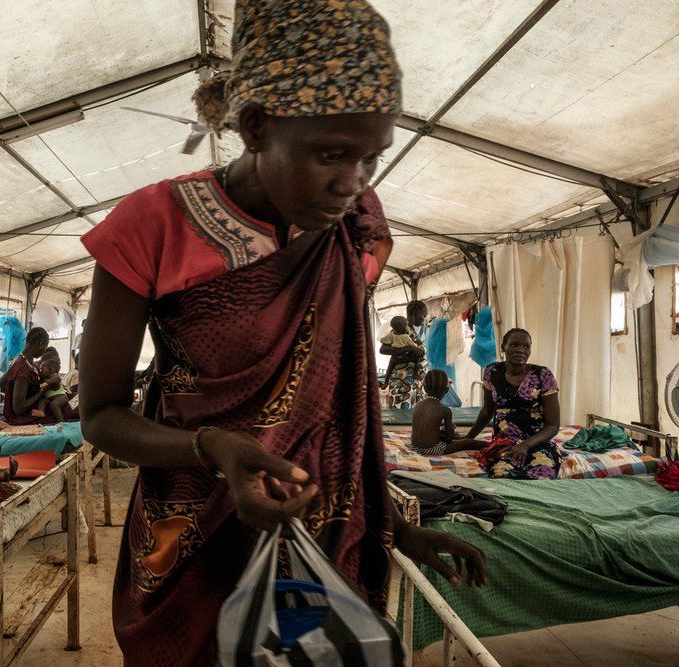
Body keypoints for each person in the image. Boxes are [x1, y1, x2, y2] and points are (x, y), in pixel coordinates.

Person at [78, 2, 486, 664]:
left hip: (324, 529)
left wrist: (395, 528)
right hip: (191, 537)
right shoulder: (153, 224)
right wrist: (213, 448)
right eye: (331, 154)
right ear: (256, 126)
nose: (352, 184)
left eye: (371, 158)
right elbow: (100, 416)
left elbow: (344, 408)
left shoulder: (355, 230)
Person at [463, 328, 562, 479]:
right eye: (514, 345)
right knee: (503, 477)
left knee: (542, 478)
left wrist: (525, 445)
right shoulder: (492, 371)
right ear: (503, 347)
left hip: (538, 444)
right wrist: (468, 439)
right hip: (504, 445)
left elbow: (553, 426)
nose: (520, 350)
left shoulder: (543, 375)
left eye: (526, 346)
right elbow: (487, 411)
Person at [0, 327, 62, 425]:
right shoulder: (22, 368)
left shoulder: (24, 360)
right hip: (23, 416)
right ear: (41, 344)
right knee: (63, 411)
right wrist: (43, 391)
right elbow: (18, 408)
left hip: (31, 407)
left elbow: (0, 383)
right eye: (45, 347)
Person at [410, 369, 479, 455]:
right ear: (446, 390)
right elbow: (449, 439)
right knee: (467, 442)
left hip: (415, 446)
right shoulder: (445, 410)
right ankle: (492, 446)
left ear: (424, 388)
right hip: (431, 449)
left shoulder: (418, 405)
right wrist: (448, 432)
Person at [380, 300, 428, 408]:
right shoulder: (401, 329)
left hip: (414, 382)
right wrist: (409, 348)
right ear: (416, 314)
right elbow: (383, 349)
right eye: (423, 316)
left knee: (414, 413)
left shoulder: (417, 330)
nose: (424, 319)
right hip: (401, 381)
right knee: (401, 412)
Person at [32, 354, 69, 422]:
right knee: (42, 401)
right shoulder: (44, 379)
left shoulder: (54, 376)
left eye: (42, 368)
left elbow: (57, 379)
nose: (40, 370)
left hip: (61, 397)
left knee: (53, 404)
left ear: (50, 370)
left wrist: (47, 382)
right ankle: (41, 411)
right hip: (50, 399)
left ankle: (61, 421)